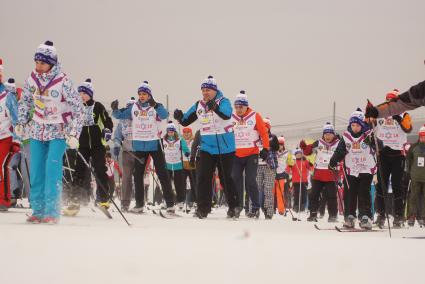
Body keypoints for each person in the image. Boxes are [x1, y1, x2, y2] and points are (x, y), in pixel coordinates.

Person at [17, 41, 84, 224]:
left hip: (58, 131)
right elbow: (25, 103)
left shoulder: (63, 81)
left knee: (52, 169)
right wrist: (21, 122)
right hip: (37, 130)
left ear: (52, 63)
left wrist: (74, 134)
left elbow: (79, 109)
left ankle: (52, 211)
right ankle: (37, 210)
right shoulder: (32, 79)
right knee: (37, 170)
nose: (38, 66)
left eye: (43, 63)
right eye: (36, 62)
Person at [173, 76, 239, 219]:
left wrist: (214, 107)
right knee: (203, 177)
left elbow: (227, 115)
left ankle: (234, 206)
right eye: (203, 90)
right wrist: (179, 117)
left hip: (224, 147)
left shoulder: (223, 101)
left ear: (215, 90)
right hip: (207, 147)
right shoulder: (199, 105)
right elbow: (186, 121)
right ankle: (203, 208)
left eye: (208, 90)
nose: (205, 93)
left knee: (225, 178)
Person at [111, 81, 176, 214]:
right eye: (140, 94)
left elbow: (164, 115)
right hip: (139, 145)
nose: (141, 96)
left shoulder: (155, 106)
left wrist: (156, 105)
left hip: (153, 143)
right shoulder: (134, 107)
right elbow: (120, 116)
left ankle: (170, 204)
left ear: (149, 95)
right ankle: (139, 204)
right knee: (137, 175)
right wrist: (115, 109)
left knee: (163, 174)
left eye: (144, 94)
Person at [63, 78, 113, 216]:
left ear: (90, 94)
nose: (81, 96)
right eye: (79, 93)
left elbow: (107, 121)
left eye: (84, 93)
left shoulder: (98, 106)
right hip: (82, 145)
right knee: (78, 172)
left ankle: (103, 199)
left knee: (100, 169)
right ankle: (74, 202)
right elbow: (70, 122)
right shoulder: (76, 108)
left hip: (97, 144)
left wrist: (107, 130)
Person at [329, 109, 377, 229]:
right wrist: (333, 161)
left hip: (366, 169)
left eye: (357, 125)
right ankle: (350, 216)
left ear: (362, 124)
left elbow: (379, 146)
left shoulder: (369, 134)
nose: (355, 127)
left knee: (363, 193)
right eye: (353, 125)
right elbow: (340, 151)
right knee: (350, 193)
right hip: (351, 169)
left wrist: (374, 142)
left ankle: (365, 217)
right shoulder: (346, 137)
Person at [373, 89, 412, 227]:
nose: (390, 102)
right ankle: (381, 215)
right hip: (383, 154)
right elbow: (370, 123)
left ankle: (398, 216)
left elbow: (408, 128)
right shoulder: (381, 114)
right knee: (381, 186)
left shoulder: (404, 113)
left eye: (392, 100)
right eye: (388, 99)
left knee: (397, 186)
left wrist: (398, 118)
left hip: (397, 155)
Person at [231, 91, 269, 218]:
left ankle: (255, 207)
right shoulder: (232, 117)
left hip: (251, 154)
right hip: (236, 154)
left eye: (241, 107)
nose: (238, 110)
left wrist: (266, 149)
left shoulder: (255, 116)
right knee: (235, 178)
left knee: (250, 180)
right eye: (236, 107)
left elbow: (263, 133)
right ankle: (238, 206)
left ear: (246, 106)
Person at [300, 123, 340, 222]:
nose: (328, 136)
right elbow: (308, 152)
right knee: (314, 195)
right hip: (318, 174)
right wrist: (304, 147)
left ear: (333, 134)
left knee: (331, 196)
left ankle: (333, 215)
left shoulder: (339, 143)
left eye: (330, 134)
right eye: (326, 134)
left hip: (331, 173)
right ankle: (313, 214)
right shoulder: (319, 142)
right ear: (323, 134)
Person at [0, 60, 19, 211]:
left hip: (6, 137)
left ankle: (4, 200)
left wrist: (16, 140)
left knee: (2, 166)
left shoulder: (8, 96)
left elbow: (16, 119)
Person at [113, 97, 136, 212]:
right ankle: (125, 203)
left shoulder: (140, 118)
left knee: (138, 178)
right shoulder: (122, 122)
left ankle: (140, 202)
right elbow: (117, 136)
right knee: (126, 178)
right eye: (128, 107)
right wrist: (117, 145)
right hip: (127, 152)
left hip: (140, 152)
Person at [255, 118, 279, 219]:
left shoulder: (272, 137)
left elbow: (276, 147)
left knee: (268, 190)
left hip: (269, 166)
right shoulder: (254, 136)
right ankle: (254, 210)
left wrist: (267, 146)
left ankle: (268, 211)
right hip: (256, 166)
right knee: (256, 189)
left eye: (265, 127)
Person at [162, 122, 190, 209]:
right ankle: (166, 200)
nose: (170, 132)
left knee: (179, 183)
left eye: (172, 131)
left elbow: (185, 147)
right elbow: (160, 149)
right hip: (168, 164)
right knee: (167, 184)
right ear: (167, 131)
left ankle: (180, 201)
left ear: (174, 131)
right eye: (169, 131)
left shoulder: (180, 139)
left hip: (178, 164)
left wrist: (187, 152)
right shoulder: (163, 139)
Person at [405, 125, 425, 227]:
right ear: (419, 136)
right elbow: (408, 161)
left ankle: (423, 217)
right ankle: (411, 216)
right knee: (413, 197)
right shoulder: (413, 147)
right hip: (415, 177)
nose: (423, 138)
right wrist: (407, 173)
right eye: (422, 136)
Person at [286, 148, 312, 213]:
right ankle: (296, 207)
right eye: (297, 154)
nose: (298, 155)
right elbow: (288, 171)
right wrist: (289, 165)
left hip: (304, 181)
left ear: (302, 154)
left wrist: (310, 163)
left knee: (304, 194)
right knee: (297, 194)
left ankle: (303, 207)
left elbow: (311, 168)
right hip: (296, 181)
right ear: (295, 155)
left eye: (300, 153)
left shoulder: (305, 161)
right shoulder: (293, 162)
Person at [274, 136, 290, 215]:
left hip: (282, 174)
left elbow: (290, 163)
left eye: (281, 144)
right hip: (273, 173)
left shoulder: (286, 153)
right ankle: (272, 209)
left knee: (280, 192)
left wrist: (292, 161)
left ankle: (281, 209)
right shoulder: (273, 152)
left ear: (283, 145)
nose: (280, 146)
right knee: (272, 192)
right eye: (279, 144)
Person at [181, 127, 197, 206]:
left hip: (192, 165)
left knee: (194, 183)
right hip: (183, 164)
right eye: (185, 132)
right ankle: (182, 201)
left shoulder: (194, 140)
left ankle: (194, 201)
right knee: (182, 184)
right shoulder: (180, 141)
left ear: (191, 133)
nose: (186, 134)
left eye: (188, 132)